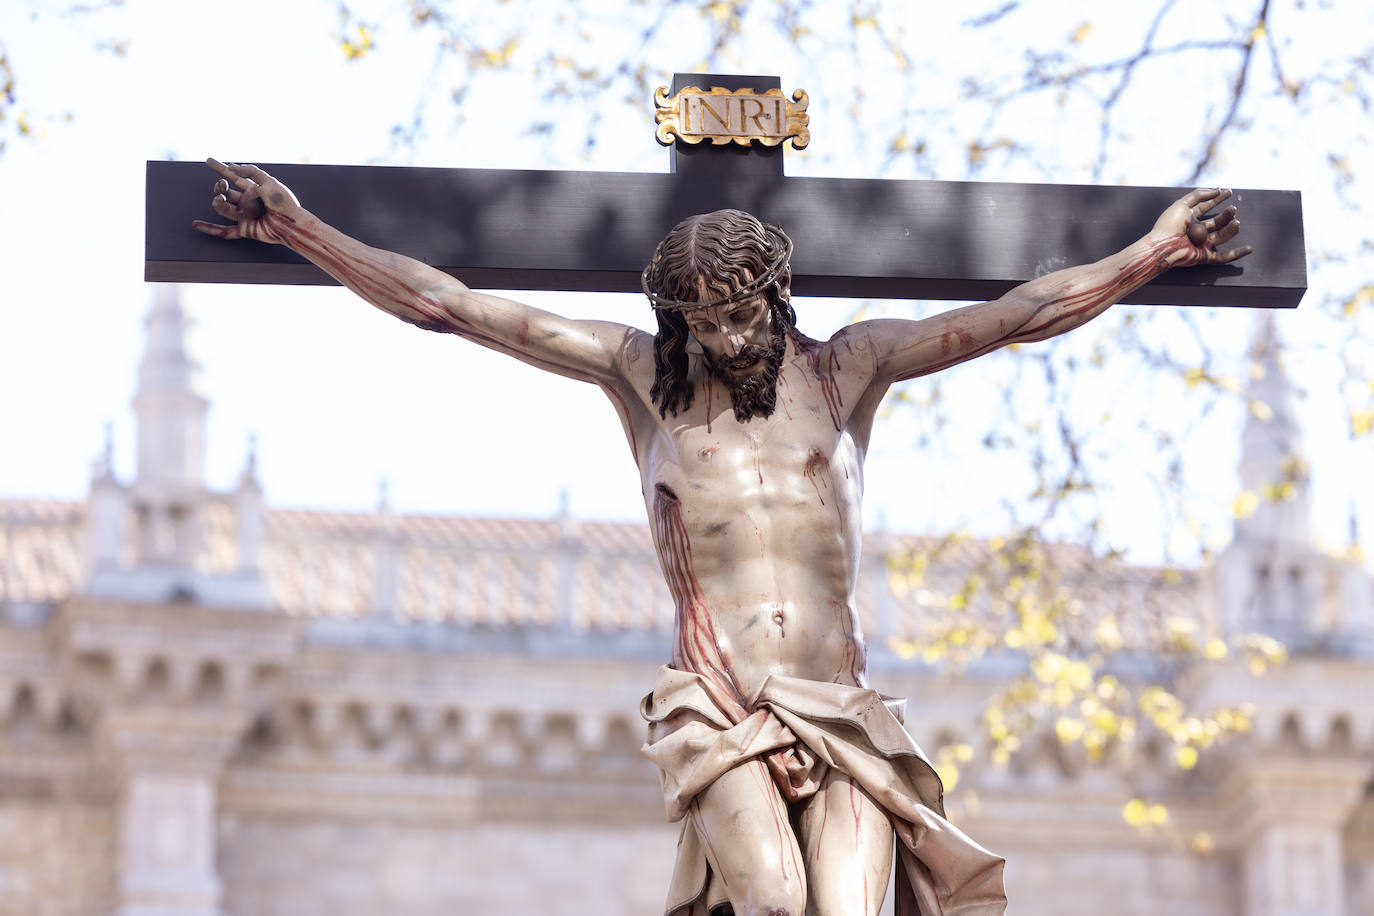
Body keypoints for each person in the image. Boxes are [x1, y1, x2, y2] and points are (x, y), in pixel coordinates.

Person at [194, 160, 1248, 916]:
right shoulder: (642, 384)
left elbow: (1020, 312)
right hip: (718, 705)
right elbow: (457, 308)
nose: (727, 336)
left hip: (841, 709)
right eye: (702, 320)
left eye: (741, 312)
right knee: (779, 904)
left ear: (775, 291)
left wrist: (1157, 249)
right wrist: (300, 229)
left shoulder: (849, 370)